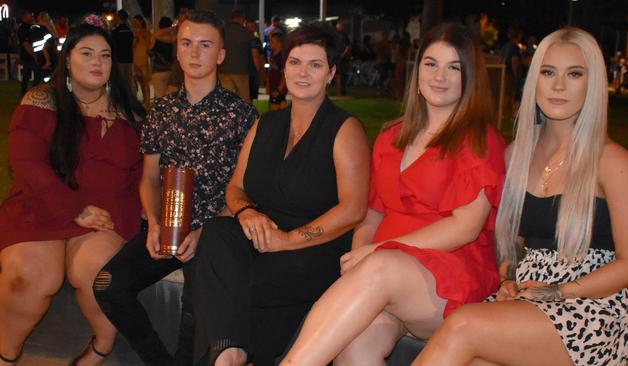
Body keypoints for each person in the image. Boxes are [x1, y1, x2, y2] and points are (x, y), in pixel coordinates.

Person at [412, 27, 628, 366]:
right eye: (548, 72)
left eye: (575, 74)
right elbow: (511, 240)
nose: (558, 85)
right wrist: (508, 277)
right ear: (534, 78)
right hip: (528, 296)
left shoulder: (611, 161)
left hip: (591, 306)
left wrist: (561, 291)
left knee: (463, 326)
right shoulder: (516, 156)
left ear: (593, 84)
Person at [280, 22, 505, 365]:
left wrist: (377, 252)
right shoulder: (392, 137)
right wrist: (360, 257)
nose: (439, 76)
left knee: (381, 267)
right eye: (431, 64)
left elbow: (465, 228)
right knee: (354, 349)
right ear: (417, 71)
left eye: (453, 67)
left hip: (448, 274)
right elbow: (372, 214)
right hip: (385, 277)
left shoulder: (478, 140)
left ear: (470, 78)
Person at [191, 22, 370, 366]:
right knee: (216, 233)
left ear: (331, 72)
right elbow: (236, 188)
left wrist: (289, 239)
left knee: (230, 286)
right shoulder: (265, 124)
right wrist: (247, 213)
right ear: (283, 68)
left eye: (315, 65)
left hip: (313, 248)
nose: (302, 73)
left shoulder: (344, 129)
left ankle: (228, 353)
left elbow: (353, 209)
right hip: (261, 237)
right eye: (294, 62)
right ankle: (229, 353)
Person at [93, 10, 258, 366]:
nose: (195, 53)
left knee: (194, 322)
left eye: (205, 44)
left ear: (221, 54)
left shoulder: (242, 115)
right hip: (165, 228)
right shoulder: (162, 110)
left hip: (214, 236)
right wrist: (153, 222)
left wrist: (203, 234)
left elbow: (247, 189)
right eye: (186, 43)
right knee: (108, 285)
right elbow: (149, 176)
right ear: (177, 51)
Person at [0, 18, 145, 366]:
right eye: (87, 53)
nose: (98, 62)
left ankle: (100, 349)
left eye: (106, 55)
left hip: (108, 214)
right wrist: (75, 209)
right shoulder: (43, 99)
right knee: (30, 275)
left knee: (98, 272)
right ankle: (5, 354)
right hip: (43, 206)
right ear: (68, 59)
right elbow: (26, 162)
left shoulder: (130, 112)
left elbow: (146, 172)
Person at [218, 10, 256, 102]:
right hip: (241, 71)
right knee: (244, 100)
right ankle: (244, 116)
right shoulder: (246, 33)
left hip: (223, 70)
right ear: (242, 19)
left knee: (224, 100)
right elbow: (254, 54)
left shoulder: (222, 31)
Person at [150, 16, 175, 98]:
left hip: (158, 70)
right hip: (171, 70)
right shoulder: (173, 39)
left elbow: (150, 52)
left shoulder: (156, 39)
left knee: (160, 96)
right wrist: (171, 28)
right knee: (170, 96)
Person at [17, 10, 41, 96]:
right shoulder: (24, 28)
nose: (32, 16)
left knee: (27, 76)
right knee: (33, 75)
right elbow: (26, 44)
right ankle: (30, 94)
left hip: (28, 55)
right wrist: (34, 56)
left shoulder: (30, 27)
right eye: (30, 15)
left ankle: (27, 94)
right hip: (28, 56)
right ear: (24, 16)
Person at [111, 9, 135, 95]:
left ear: (118, 18)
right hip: (129, 59)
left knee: (120, 82)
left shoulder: (115, 32)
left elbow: (113, 45)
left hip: (119, 60)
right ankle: (130, 99)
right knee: (129, 82)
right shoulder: (130, 31)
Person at [132, 15, 151, 107]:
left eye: (136, 22)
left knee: (145, 81)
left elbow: (148, 44)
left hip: (143, 58)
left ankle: (147, 101)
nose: (134, 24)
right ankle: (144, 100)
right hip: (136, 58)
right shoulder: (134, 33)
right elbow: (132, 46)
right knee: (138, 82)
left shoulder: (146, 32)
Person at [266, 30, 287, 111]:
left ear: (279, 43)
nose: (270, 43)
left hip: (278, 90)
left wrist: (278, 90)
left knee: (273, 112)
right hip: (274, 88)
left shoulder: (282, 57)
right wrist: (268, 85)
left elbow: (285, 75)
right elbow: (271, 71)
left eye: (272, 41)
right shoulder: (272, 55)